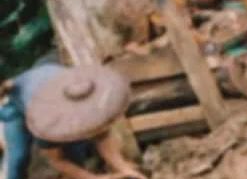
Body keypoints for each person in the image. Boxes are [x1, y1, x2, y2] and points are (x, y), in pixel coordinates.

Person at [1, 62, 144, 179]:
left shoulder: (95, 102)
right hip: (19, 103)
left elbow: (103, 136)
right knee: (18, 157)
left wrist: (124, 168)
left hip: (51, 77)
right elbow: (57, 160)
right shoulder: (46, 122)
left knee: (76, 154)